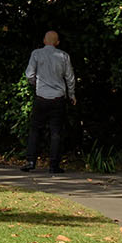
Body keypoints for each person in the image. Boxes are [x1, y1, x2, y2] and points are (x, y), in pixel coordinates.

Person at [23, 31, 76, 173]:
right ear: (57, 42)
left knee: (35, 130)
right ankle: (53, 165)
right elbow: (70, 78)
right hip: (58, 98)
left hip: (41, 96)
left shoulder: (36, 54)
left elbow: (29, 74)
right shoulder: (64, 56)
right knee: (56, 132)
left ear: (44, 41)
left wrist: (37, 85)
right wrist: (71, 95)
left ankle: (31, 161)